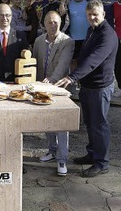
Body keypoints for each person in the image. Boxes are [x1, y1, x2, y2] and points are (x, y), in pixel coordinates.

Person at [55, 0, 117, 177]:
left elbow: (94, 60)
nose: (92, 17)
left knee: (99, 125)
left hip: (100, 87)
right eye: (89, 14)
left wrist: (72, 77)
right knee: (89, 123)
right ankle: (92, 153)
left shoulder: (107, 35)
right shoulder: (91, 30)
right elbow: (84, 55)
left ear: (103, 14)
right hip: (88, 85)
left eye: (95, 14)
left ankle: (102, 162)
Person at [33, 11, 74, 176]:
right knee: (48, 122)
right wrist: (34, 85)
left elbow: (63, 65)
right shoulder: (38, 41)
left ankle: (62, 159)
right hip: (42, 88)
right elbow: (34, 64)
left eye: (56, 22)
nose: (53, 25)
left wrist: (50, 81)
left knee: (62, 125)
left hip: (59, 89)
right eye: (50, 22)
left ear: (61, 22)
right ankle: (51, 150)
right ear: (44, 24)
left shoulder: (67, 42)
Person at [67, 0, 88, 66]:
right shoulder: (68, 4)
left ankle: (84, 78)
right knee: (73, 61)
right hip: (72, 38)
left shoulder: (88, 4)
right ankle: (73, 78)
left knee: (85, 61)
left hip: (85, 38)